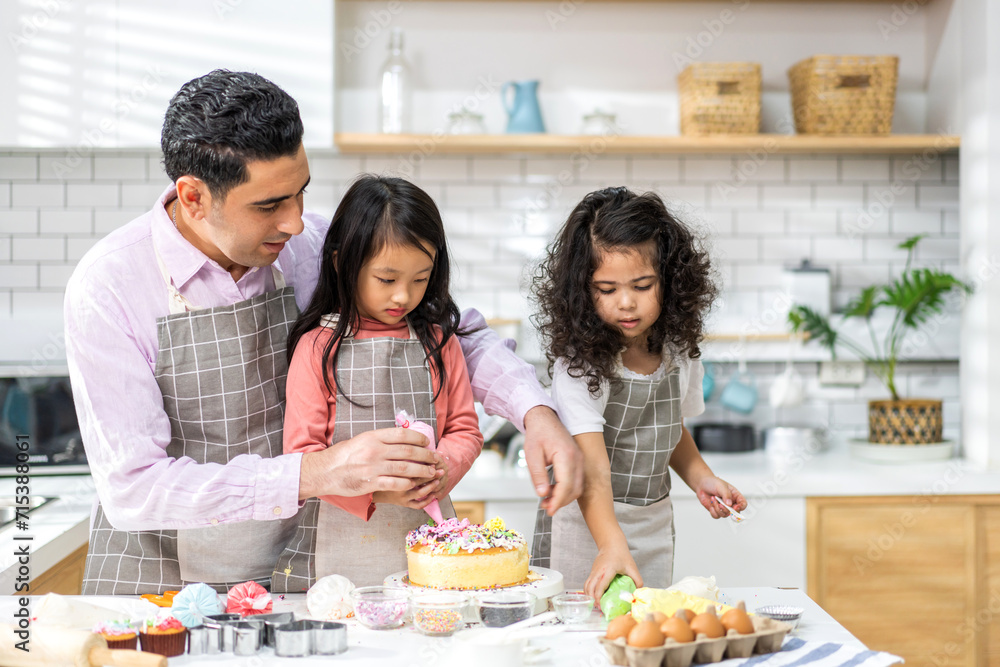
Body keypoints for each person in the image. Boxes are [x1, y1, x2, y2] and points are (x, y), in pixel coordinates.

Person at [64, 69, 582, 595]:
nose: (294, 221)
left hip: (301, 567)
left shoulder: (311, 246)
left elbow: (449, 329)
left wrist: (534, 411)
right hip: (164, 582)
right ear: (194, 197)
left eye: (300, 192)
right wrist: (316, 473)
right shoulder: (108, 288)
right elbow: (134, 487)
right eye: (269, 205)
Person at [529, 186, 748, 602]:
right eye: (606, 290)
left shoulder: (679, 352)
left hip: (652, 522)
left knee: (644, 625)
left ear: (671, 281)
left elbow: (670, 429)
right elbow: (590, 467)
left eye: (643, 285)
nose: (626, 304)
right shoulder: (581, 365)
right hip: (586, 524)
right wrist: (610, 545)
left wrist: (702, 478)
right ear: (581, 291)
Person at [271, 175, 482, 590]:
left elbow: (464, 429)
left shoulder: (439, 342)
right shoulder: (317, 347)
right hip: (336, 548)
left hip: (430, 535)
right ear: (341, 262)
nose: (403, 296)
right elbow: (302, 456)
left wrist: (441, 470)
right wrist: (379, 493)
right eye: (387, 279)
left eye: (420, 279)